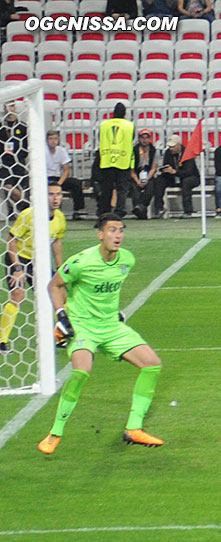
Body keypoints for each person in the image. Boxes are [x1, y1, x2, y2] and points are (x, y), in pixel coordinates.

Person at [37, 213, 165, 455]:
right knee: (81, 371)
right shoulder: (81, 262)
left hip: (111, 327)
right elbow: (54, 285)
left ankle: (134, 428)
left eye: (121, 230)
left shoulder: (127, 260)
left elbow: (105, 292)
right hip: (83, 327)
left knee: (152, 364)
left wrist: (114, 312)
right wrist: (62, 317)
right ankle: (55, 432)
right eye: (112, 230)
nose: (118, 235)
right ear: (100, 234)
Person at [1, 183, 66, 355]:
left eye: (58, 194)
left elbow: (57, 242)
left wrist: (60, 268)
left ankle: (61, 336)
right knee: (18, 295)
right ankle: (1, 341)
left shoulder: (59, 218)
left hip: (39, 261)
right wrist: (17, 268)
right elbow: (10, 240)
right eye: (51, 194)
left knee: (60, 294)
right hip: (19, 258)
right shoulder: (29, 215)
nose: (55, 198)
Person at [97, 102, 134, 217]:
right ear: (124, 114)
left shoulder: (104, 125)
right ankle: (119, 214)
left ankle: (104, 214)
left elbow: (100, 139)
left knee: (106, 190)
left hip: (107, 161)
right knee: (122, 190)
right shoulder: (129, 125)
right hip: (123, 161)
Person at [151, 134, 200, 219]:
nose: (171, 149)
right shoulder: (168, 153)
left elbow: (189, 171)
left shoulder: (188, 153)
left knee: (186, 182)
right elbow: (166, 165)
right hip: (174, 177)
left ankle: (188, 211)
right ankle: (159, 208)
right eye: (170, 147)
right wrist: (165, 170)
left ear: (178, 145)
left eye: (173, 147)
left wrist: (175, 172)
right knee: (159, 180)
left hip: (191, 177)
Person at [45, 130, 86, 221]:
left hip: (58, 178)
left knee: (76, 183)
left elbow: (66, 170)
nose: (53, 141)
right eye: (50, 139)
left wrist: (59, 184)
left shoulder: (61, 150)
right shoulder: (43, 151)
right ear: (47, 140)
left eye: (55, 138)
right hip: (45, 178)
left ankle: (77, 211)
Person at [1, 102, 28, 219]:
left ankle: (21, 206)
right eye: (7, 106)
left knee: (18, 185)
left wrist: (20, 154)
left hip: (19, 161)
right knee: (7, 186)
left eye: (12, 105)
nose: (10, 108)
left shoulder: (22, 127)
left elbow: (26, 145)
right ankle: (17, 207)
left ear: (15, 108)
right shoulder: (2, 127)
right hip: (5, 162)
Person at [130, 129, 158, 220]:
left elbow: (154, 168)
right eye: (142, 138)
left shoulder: (153, 151)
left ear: (150, 139)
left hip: (148, 174)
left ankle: (140, 207)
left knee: (150, 189)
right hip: (136, 175)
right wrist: (138, 181)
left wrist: (147, 178)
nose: (144, 140)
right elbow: (131, 170)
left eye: (146, 138)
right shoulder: (133, 151)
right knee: (135, 190)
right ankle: (140, 211)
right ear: (139, 139)